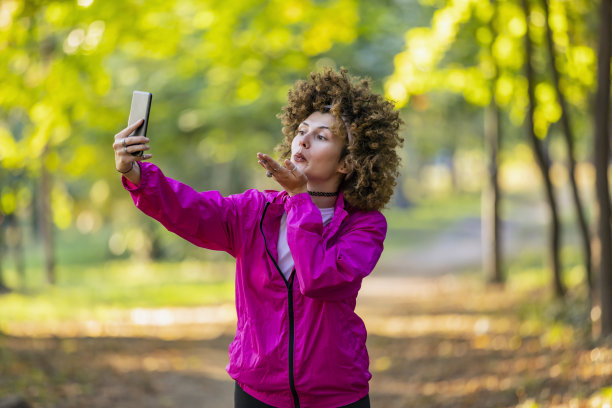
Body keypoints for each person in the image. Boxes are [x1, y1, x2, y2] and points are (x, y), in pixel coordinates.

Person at [113, 67, 403, 408]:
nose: (303, 141)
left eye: (322, 137)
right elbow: (189, 210)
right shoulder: (254, 211)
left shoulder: (364, 226)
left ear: (347, 163)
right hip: (258, 392)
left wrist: (299, 199)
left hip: (337, 395)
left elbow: (320, 279)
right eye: (301, 131)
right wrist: (135, 172)